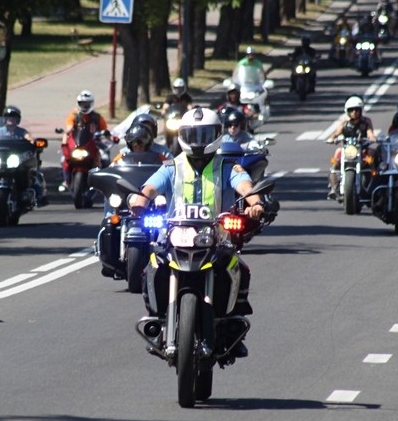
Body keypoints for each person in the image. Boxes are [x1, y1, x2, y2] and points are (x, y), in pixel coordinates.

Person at [129, 107, 265, 357]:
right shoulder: (172, 166)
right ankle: (158, 321)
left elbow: (245, 186)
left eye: (205, 135)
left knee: (238, 269)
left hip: (216, 238)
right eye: (193, 135)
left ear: (217, 135)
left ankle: (232, 323)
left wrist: (254, 203)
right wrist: (138, 201)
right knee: (152, 266)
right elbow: (149, 187)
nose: (199, 142)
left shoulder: (227, 166)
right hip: (174, 237)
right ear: (182, 135)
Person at [325, 96, 378, 199]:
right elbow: (336, 133)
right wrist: (331, 139)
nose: (354, 112)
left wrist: (372, 138)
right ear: (347, 111)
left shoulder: (366, 121)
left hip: (361, 149)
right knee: (336, 155)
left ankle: (373, 181)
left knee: (372, 154)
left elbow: (370, 133)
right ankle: (334, 186)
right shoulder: (345, 122)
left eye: (357, 110)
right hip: (347, 149)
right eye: (351, 110)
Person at [60, 90, 108, 191]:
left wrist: (107, 135)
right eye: (82, 103)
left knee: (106, 158)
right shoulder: (74, 115)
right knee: (63, 159)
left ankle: (105, 183)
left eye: (87, 104)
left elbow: (105, 131)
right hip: (78, 144)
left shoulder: (97, 117)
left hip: (94, 144)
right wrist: (64, 142)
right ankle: (66, 180)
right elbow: (68, 129)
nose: (85, 106)